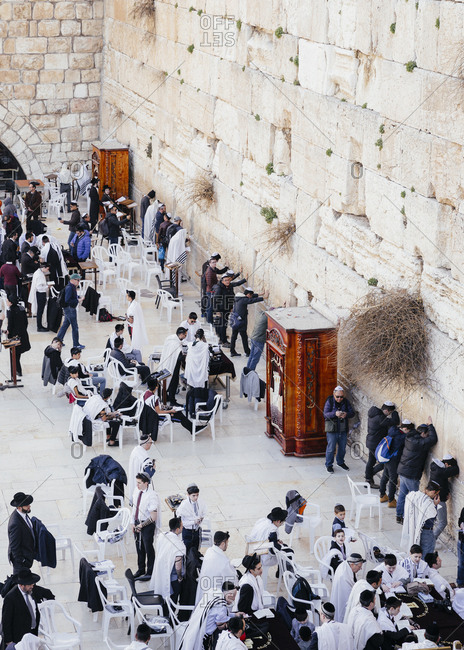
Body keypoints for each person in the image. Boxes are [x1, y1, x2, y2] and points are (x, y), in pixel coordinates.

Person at [396, 416, 438, 524]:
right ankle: (408, 518)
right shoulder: (420, 443)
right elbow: (433, 439)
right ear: (423, 434)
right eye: (426, 435)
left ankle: (399, 515)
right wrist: (430, 426)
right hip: (411, 475)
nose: (427, 437)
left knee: (402, 495)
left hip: (403, 471)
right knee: (414, 498)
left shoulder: (410, 437)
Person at [1, 569, 55, 646]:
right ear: (21, 585)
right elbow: (6, 621)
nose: (32, 586)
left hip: (32, 633)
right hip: (19, 638)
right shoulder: (10, 598)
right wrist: (9, 641)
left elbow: (47, 593)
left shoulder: (31, 590)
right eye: (29, 584)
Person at [180, 581, 239, 650]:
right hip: (204, 637)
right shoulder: (221, 605)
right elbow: (220, 625)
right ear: (228, 594)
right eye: (233, 596)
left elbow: (218, 613)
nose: (234, 599)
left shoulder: (215, 593)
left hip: (195, 628)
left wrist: (235, 614)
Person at [131, 472, 160, 580]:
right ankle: (141, 569)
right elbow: (134, 508)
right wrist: (132, 523)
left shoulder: (152, 496)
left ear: (146, 483)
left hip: (147, 524)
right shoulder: (136, 490)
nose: (137, 485)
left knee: (148, 548)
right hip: (137, 522)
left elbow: (153, 517)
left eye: (139, 483)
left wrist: (141, 525)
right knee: (139, 547)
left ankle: (150, 571)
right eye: (137, 482)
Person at [365, 401, 399, 488]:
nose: (389, 415)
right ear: (387, 410)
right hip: (375, 444)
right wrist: (395, 412)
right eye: (390, 413)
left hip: (371, 442)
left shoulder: (374, 415)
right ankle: (369, 477)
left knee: (371, 461)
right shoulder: (380, 418)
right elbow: (395, 421)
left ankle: (368, 479)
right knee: (383, 462)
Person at [149, 516, 186, 599]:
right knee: (172, 600)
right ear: (177, 529)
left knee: (162, 599)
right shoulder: (179, 545)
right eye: (182, 526)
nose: (183, 528)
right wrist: (180, 577)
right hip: (173, 579)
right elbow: (178, 565)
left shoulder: (161, 536)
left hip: (160, 572)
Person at [196, 531, 237, 604]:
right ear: (223, 543)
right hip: (215, 596)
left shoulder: (209, 550)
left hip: (204, 590)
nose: (227, 545)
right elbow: (231, 578)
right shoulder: (224, 561)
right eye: (227, 543)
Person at [401, 481, 440, 556]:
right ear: (433, 492)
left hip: (413, 528)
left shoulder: (412, 495)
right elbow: (431, 518)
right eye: (437, 494)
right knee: (426, 554)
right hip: (426, 531)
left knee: (417, 553)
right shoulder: (428, 503)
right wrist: (435, 505)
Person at [323, 386, 355, 473]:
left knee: (342, 448)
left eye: (341, 397)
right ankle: (329, 465)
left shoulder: (346, 401)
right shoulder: (329, 401)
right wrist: (335, 414)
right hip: (332, 429)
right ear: (334, 394)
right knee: (331, 448)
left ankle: (340, 462)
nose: (339, 399)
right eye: (337, 396)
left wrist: (346, 414)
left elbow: (352, 413)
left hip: (343, 429)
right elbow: (325, 415)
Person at [429, 454, 459, 542]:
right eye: (449, 466)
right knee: (443, 522)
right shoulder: (442, 471)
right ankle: (432, 540)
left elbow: (443, 482)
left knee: (433, 520)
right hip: (438, 500)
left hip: (433, 498)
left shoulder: (435, 467)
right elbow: (456, 470)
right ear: (446, 464)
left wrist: (447, 491)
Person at [212, 272, 246, 345]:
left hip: (226, 309)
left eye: (229, 280)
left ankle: (222, 338)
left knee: (223, 325)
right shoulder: (219, 288)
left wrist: (230, 307)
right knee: (223, 325)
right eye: (226, 280)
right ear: (222, 281)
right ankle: (223, 341)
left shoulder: (229, 286)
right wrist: (217, 311)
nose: (228, 282)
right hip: (221, 310)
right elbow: (215, 300)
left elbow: (231, 297)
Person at [229, 287, 265, 357]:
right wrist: (263, 298)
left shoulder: (238, 297)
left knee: (234, 336)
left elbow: (250, 297)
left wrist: (260, 294)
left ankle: (232, 351)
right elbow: (252, 300)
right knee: (244, 337)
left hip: (235, 321)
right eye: (250, 295)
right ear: (248, 294)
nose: (250, 297)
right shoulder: (244, 300)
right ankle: (247, 352)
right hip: (241, 322)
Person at [330, 553, 365, 622]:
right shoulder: (343, 576)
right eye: (359, 566)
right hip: (342, 600)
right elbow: (348, 598)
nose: (360, 568)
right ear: (352, 565)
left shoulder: (347, 566)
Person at [8, 493, 36, 575]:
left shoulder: (23, 514)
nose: (29, 506)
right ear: (19, 507)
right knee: (21, 584)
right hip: (21, 563)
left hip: (27, 557)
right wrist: (22, 561)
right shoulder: (15, 524)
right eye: (26, 505)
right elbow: (14, 546)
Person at [159, 327, 188, 406]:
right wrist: (185, 355)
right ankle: (172, 401)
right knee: (173, 383)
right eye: (185, 335)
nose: (185, 337)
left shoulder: (170, 338)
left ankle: (165, 396)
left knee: (166, 382)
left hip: (166, 364)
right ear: (181, 335)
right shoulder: (175, 344)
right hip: (173, 366)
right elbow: (178, 358)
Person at [378, 423, 405, 509]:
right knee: (393, 480)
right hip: (393, 460)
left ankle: (382, 495)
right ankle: (391, 500)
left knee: (385, 476)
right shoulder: (401, 437)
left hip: (387, 457)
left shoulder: (392, 431)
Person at [176, 484, 207, 553]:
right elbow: (182, 522)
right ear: (188, 495)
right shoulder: (184, 505)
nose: (196, 497)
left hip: (196, 531)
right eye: (193, 495)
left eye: (197, 495)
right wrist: (194, 522)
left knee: (195, 551)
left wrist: (201, 518)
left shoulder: (200, 502)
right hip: (188, 532)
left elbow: (204, 511)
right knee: (187, 551)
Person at [57, 274, 84, 349]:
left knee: (65, 325)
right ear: (72, 280)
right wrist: (77, 300)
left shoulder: (72, 287)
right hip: (70, 309)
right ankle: (76, 344)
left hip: (69, 309)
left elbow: (72, 296)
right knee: (75, 327)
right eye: (77, 280)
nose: (79, 282)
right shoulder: (69, 288)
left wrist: (78, 297)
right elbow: (67, 300)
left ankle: (58, 341)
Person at [6, 295, 31, 377]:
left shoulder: (10, 311)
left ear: (11, 302)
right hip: (22, 334)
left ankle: (16, 371)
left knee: (13, 354)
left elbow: (10, 325)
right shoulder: (22, 309)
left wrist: (8, 333)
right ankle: (17, 370)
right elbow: (26, 322)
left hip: (13, 336)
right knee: (17, 354)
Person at [127, 436, 155, 504]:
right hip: (141, 484)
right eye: (151, 443)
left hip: (134, 477)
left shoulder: (135, 450)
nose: (151, 444)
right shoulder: (145, 457)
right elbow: (147, 475)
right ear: (147, 443)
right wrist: (153, 469)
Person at [29, 263, 50, 332]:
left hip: (39, 293)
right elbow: (39, 287)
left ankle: (40, 325)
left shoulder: (38, 272)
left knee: (40, 311)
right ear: (44, 267)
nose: (47, 270)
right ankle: (39, 326)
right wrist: (47, 286)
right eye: (47, 269)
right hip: (40, 294)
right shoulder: (39, 275)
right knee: (40, 311)